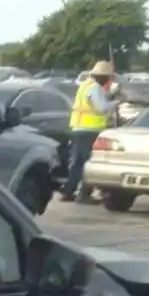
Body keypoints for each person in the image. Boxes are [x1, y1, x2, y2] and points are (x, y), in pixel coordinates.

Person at [61, 60, 117, 203]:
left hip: (78, 129)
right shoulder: (95, 88)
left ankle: (69, 192)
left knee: (77, 164)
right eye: (107, 77)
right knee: (88, 164)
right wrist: (115, 102)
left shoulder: (84, 86)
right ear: (101, 76)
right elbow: (102, 108)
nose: (107, 80)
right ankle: (84, 195)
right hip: (90, 131)